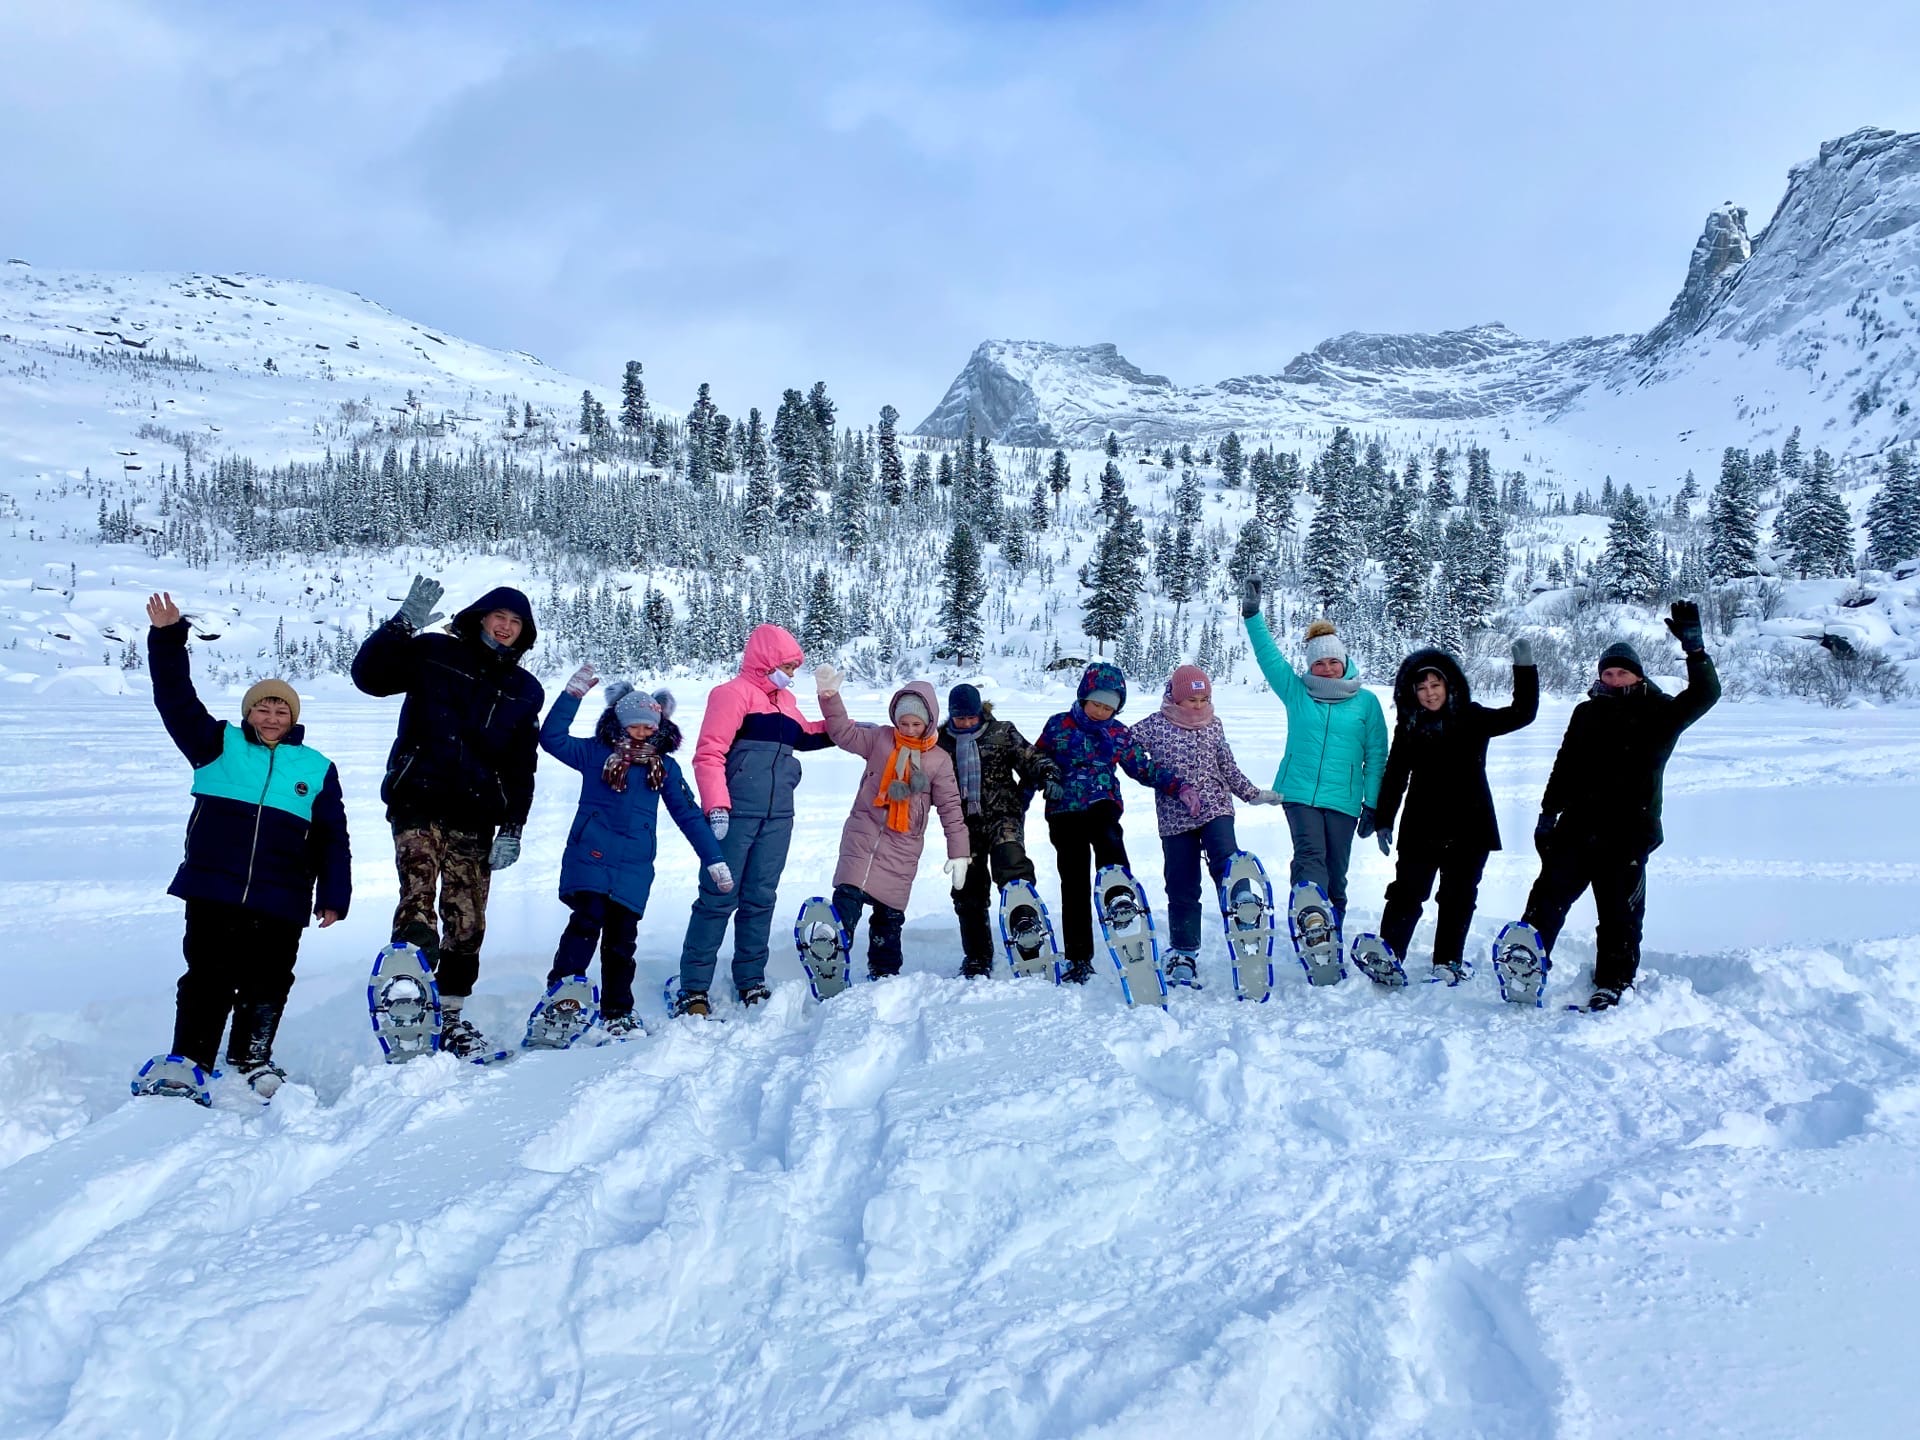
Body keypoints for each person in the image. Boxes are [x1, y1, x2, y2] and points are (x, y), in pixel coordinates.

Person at [141, 592, 350, 1097]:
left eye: (281, 707)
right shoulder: (216, 745)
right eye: (263, 707)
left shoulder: (316, 767)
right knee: (207, 975)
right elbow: (174, 697)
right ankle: (190, 1058)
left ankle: (252, 1058)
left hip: (282, 894)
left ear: (293, 716)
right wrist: (169, 637)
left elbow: (332, 836)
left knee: (270, 978)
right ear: (249, 713)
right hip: (214, 886)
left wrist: (334, 896)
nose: (272, 714)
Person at [351, 576, 543, 1057]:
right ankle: (408, 1000)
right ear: (480, 618)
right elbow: (369, 677)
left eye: (516, 622)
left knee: (468, 922)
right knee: (418, 897)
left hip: (476, 814)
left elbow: (522, 768)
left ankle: (451, 1015)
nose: (505, 627)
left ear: (525, 632)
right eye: (499, 616)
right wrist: (402, 625)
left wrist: (514, 827)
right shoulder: (433, 652)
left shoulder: (525, 690)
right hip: (418, 796)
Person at [1521, 602, 1720, 1011]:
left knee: (1618, 915)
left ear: (1637, 674)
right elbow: (1566, 764)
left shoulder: (1660, 712)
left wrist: (1695, 652)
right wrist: (1547, 812)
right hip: (1577, 825)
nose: (1613, 679)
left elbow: (1705, 694)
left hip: (1629, 831)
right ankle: (1526, 963)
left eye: (1621, 672)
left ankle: (1613, 981)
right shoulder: (1586, 712)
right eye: (1607, 673)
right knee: (1547, 896)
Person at [538, 666, 733, 1036]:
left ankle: (617, 1011)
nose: (642, 732)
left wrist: (714, 858)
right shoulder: (594, 754)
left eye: (649, 727)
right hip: (590, 857)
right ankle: (563, 999)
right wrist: (572, 695)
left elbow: (689, 816)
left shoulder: (665, 769)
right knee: (585, 924)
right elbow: (552, 738)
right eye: (635, 725)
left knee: (621, 941)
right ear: (618, 722)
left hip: (634, 868)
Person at [674, 623, 832, 1016]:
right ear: (766, 660)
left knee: (761, 899)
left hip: (779, 817)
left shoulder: (786, 702)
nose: (792, 674)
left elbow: (809, 735)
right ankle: (694, 988)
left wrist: (842, 716)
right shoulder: (731, 695)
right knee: (717, 899)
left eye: (795, 668)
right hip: (735, 816)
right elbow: (709, 754)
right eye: (788, 665)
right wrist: (717, 806)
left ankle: (751, 978)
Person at [1373, 640, 1539, 983]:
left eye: (1436, 685)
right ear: (1411, 692)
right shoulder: (1409, 727)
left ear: (1450, 685)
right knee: (1407, 892)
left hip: (1470, 827)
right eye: (1421, 687)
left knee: (1457, 897)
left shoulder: (1473, 717)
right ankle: (1388, 954)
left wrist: (1525, 669)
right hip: (1421, 826)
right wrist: (1384, 819)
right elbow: (1394, 775)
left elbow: (1523, 713)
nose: (1430, 693)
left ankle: (1447, 962)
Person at [1240, 581, 1388, 946]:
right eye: (1318, 663)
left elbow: (1377, 756)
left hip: (1344, 799)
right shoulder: (1297, 692)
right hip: (1299, 792)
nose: (1325, 668)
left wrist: (1373, 805)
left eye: (1332, 661)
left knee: (1336, 872)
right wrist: (1253, 616)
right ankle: (1311, 919)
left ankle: (1331, 928)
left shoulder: (1366, 703)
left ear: (1344, 662)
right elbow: (1269, 658)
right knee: (1310, 857)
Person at [1035, 662, 1199, 983]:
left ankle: (1121, 903)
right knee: (1074, 880)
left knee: (1111, 846)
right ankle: (1079, 957)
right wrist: (1044, 775)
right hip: (1064, 812)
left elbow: (1143, 768)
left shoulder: (1117, 733)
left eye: (1109, 707)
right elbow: (1036, 759)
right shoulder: (1058, 726)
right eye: (1096, 704)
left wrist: (1178, 786)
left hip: (1102, 805)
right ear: (1084, 697)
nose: (1100, 712)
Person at [1129, 664, 1280, 986]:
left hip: (1215, 805)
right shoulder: (1153, 726)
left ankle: (1242, 903)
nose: (1199, 705)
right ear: (1175, 697)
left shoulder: (1214, 724)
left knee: (1226, 856)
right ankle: (1184, 951)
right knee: (1181, 882)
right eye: (1192, 699)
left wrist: (1252, 794)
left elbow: (1227, 765)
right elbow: (1120, 744)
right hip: (1174, 813)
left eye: (1204, 698)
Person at [814, 671, 970, 980]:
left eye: (916, 724)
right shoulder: (879, 739)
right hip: (863, 832)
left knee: (888, 917)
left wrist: (959, 853)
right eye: (904, 724)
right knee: (848, 893)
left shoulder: (938, 760)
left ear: (929, 722)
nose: (910, 730)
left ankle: (885, 973)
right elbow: (843, 732)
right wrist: (830, 697)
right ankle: (830, 943)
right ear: (895, 720)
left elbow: (951, 808)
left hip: (903, 845)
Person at [935, 683, 1061, 977]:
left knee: (1012, 868)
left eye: (971, 717)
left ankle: (1026, 928)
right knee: (967, 888)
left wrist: (1049, 774)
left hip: (1003, 815)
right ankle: (977, 955)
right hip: (963, 824)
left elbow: (1031, 758)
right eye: (959, 718)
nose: (965, 722)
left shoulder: (1002, 732)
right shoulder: (940, 742)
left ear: (981, 712)